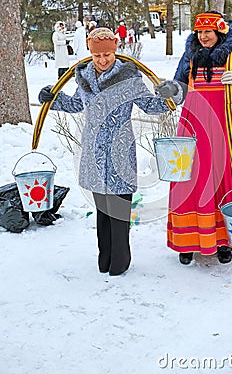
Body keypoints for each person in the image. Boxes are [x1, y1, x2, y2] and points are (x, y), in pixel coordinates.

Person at [38, 27, 184, 276]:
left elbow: (152, 105)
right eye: (97, 56)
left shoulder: (129, 78)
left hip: (120, 151)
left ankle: (120, 261)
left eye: (107, 54)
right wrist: (53, 98)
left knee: (118, 213)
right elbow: (75, 104)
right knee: (102, 213)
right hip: (93, 152)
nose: (103, 60)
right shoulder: (84, 77)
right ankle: (104, 257)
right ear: (90, 53)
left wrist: (173, 94)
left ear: (115, 48)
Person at [156, 11, 232, 265]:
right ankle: (188, 241)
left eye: (208, 32)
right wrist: (170, 91)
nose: (203, 36)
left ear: (220, 32)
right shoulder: (190, 55)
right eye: (199, 32)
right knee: (190, 181)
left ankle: (224, 241)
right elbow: (179, 88)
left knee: (225, 179)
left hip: (227, 129)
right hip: (194, 128)